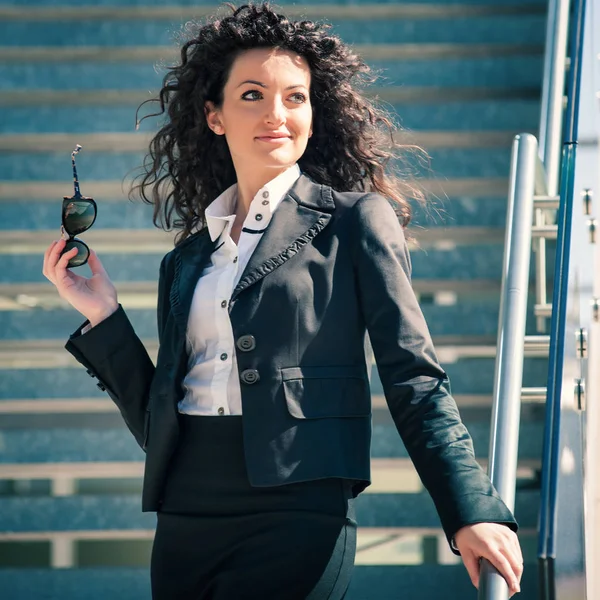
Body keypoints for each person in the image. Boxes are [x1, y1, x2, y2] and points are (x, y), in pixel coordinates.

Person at [42, 3, 523, 599]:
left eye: (295, 97)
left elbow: (414, 378)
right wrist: (103, 314)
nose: (277, 113)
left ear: (314, 115)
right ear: (214, 116)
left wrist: (469, 507)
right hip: (187, 513)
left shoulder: (354, 221)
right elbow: (159, 418)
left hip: (299, 508)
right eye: (252, 95)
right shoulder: (187, 259)